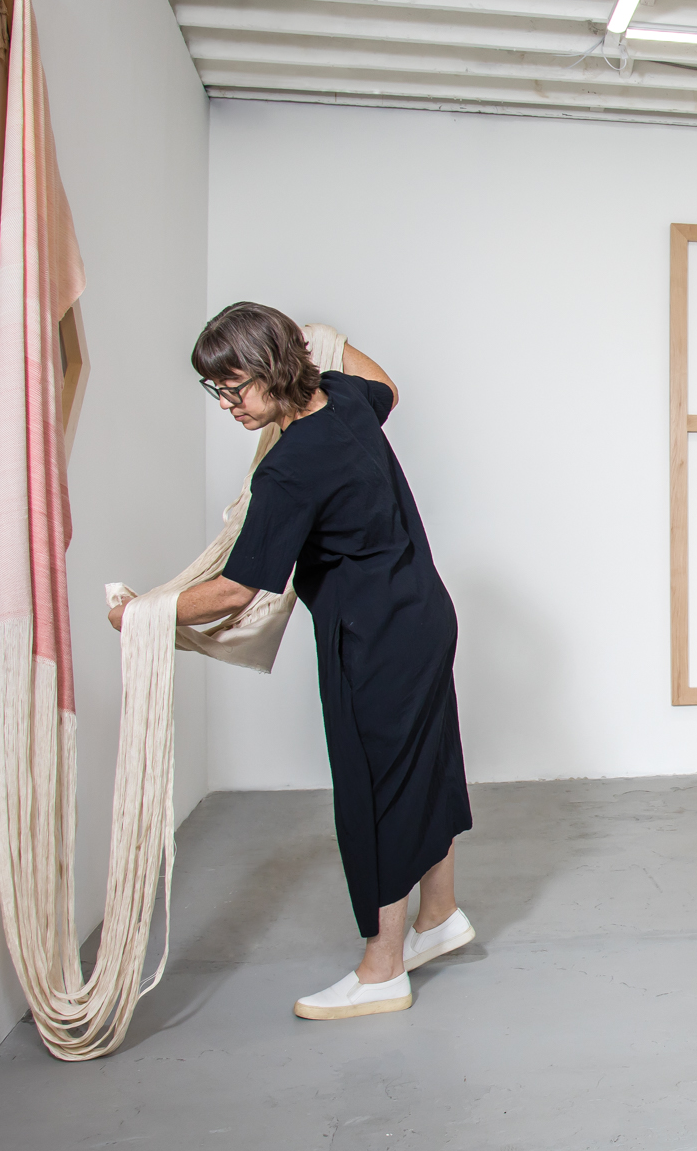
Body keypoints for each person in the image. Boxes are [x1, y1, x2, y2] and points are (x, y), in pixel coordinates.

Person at [110, 302, 474, 1020]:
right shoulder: (344, 401)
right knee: (422, 766)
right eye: (216, 390)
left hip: (370, 639)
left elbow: (235, 589)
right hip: (424, 616)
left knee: (373, 796)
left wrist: (142, 612)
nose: (228, 406)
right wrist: (316, 338)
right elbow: (387, 385)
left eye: (235, 386)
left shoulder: (289, 468)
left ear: (275, 369)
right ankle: (440, 918)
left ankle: (381, 969)